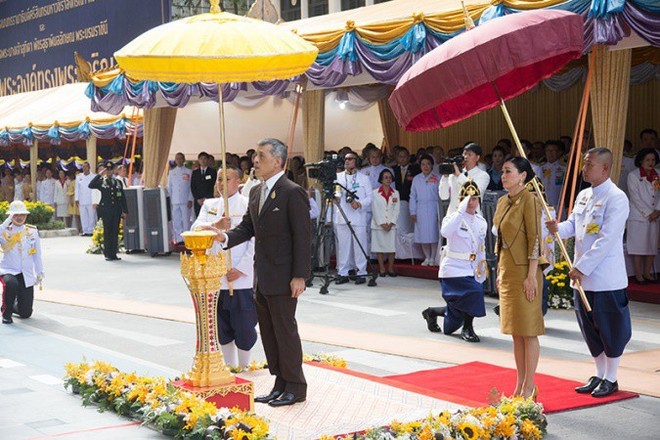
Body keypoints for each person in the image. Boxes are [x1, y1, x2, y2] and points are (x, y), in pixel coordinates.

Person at [205, 138, 311, 408]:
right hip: (262, 276)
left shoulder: (292, 192)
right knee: (269, 331)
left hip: (285, 275)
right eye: (255, 156)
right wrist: (224, 237)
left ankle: (296, 385)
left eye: (261, 156)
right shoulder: (255, 192)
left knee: (285, 330)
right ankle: (280, 382)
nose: (254, 160)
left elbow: (302, 237)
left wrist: (300, 275)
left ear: (278, 161)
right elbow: (248, 228)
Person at [546, 148, 631, 398]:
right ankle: (599, 373)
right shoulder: (584, 195)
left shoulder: (617, 198)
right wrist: (557, 228)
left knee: (610, 327)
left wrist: (581, 267)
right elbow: (573, 225)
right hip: (581, 277)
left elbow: (606, 239)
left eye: (589, 164)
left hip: (605, 277)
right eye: (584, 163)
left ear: (604, 169)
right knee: (590, 328)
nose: (584, 168)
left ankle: (612, 377)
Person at [191, 166, 257, 369]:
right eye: (219, 179)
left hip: (239, 276)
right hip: (215, 275)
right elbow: (194, 229)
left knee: (244, 324)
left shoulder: (247, 204)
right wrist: (215, 226)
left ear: (238, 181)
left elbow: (254, 239)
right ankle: (229, 366)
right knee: (221, 325)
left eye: (226, 179)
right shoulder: (210, 205)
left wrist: (242, 268)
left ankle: (245, 366)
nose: (220, 184)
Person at [493, 157, 544, 399]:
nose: (503, 176)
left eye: (508, 171)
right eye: (502, 171)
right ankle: (519, 382)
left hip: (526, 271)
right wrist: (500, 272)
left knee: (528, 330)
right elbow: (499, 240)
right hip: (508, 270)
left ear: (523, 175)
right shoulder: (503, 201)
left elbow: (535, 240)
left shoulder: (530, 200)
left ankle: (529, 385)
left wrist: (532, 276)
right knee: (515, 331)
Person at [423, 180, 488, 342]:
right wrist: (460, 211)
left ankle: (432, 312)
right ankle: (468, 328)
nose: (471, 202)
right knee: (475, 293)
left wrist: (482, 269)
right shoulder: (453, 218)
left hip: (471, 267)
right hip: (453, 269)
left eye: (474, 199)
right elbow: (445, 232)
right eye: (468, 198)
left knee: (456, 313)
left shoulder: (481, 222)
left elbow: (481, 248)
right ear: (461, 200)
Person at [1, 201, 44, 324]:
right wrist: (6, 222)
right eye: (16, 215)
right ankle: (6, 313)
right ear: (11, 216)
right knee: (11, 284)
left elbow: (37, 254)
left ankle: (12, 303)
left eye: (22, 215)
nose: (19, 218)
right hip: (8, 270)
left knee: (26, 313)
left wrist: (40, 271)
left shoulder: (32, 231)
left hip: (26, 272)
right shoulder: (4, 231)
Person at [334, 152, 373, 285]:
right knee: (343, 246)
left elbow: (370, 197)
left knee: (360, 244)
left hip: (358, 215)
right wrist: (336, 197)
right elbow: (336, 193)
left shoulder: (364, 178)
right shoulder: (338, 177)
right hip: (342, 215)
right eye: (346, 159)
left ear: (356, 161)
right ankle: (343, 272)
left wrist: (360, 203)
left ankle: (361, 272)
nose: (347, 161)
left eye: (350, 159)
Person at [625, 148, 659, 283]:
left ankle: (648, 273)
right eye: (648, 160)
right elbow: (635, 198)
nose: (651, 163)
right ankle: (639, 275)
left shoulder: (658, 175)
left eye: (653, 160)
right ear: (641, 161)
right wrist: (649, 213)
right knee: (638, 247)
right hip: (639, 216)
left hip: (655, 216)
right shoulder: (633, 175)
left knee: (651, 246)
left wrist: (657, 210)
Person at [88, 161, 128, 261]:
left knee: (115, 232)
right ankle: (108, 254)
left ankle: (113, 253)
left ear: (113, 170)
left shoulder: (117, 182)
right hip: (106, 210)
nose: (109, 172)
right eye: (107, 170)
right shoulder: (102, 181)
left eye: (111, 170)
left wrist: (125, 210)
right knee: (108, 232)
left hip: (116, 210)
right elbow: (91, 185)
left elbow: (122, 197)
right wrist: (99, 174)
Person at [439, 143, 490, 216]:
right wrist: (445, 177)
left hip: (472, 217)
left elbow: (473, 192)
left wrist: (459, 175)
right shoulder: (454, 174)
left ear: (477, 157)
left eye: (469, 155)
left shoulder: (483, 175)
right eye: (464, 154)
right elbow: (443, 196)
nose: (466, 157)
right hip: (453, 217)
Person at [410, 154, 440, 266]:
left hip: (433, 207)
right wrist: (412, 211)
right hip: (420, 209)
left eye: (428, 164)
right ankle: (427, 257)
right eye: (423, 164)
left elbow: (441, 195)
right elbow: (412, 196)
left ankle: (433, 257)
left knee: (433, 233)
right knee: (423, 235)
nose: (425, 166)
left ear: (432, 165)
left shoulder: (437, 178)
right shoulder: (416, 179)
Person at [371, 169, 400, 277]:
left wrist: (391, 222)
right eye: (386, 177)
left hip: (391, 225)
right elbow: (374, 209)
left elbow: (397, 209)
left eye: (390, 177)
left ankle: (390, 268)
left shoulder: (396, 193)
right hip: (379, 225)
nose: (388, 179)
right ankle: (382, 269)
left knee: (391, 248)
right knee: (379, 247)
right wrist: (382, 223)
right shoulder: (374, 193)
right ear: (381, 179)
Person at [167, 152, 194, 244]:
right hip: (175, 200)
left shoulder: (189, 171)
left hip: (185, 199)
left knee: (186, 220)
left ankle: (186, 238)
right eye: (177, 158)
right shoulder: (171, 172)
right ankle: (178, 239)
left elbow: (191, 186)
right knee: (177, 220)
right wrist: (169, 200)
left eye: (181, 158)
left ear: (184, 159)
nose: (179, 160)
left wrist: (190, 199)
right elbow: (169, 187)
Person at [538, 141, 566, 209]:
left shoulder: (563, 168)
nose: (550, 153)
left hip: (558, 204)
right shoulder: (540, 168)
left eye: (553, 150)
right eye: (548, 151)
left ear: (558, 152)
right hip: (543, 204)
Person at [191, 152, 218, 217]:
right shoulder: (195, 173)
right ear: (198, 160)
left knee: (211, 217)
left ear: (208, 160)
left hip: (210, 199)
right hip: (198, 201)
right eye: (201, 159)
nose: (203, 160)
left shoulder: (213, 172)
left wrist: (207, 198)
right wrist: (198, 198)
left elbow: (214, 185)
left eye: (205, 159)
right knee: (199, 217)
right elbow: (193, 186)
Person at [75, 162, 97, 236]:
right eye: (83, 167)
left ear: (89, 167)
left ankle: (91, 230)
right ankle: (85, 230)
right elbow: (77, 189)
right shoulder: (79, 177)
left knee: (91, 216)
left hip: (91, 200)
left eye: (86, 167)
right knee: (83, 216)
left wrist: (95, 200)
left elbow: (95, 189)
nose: (84, 168)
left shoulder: (94, 176)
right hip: (82, 200)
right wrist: (76, 199)